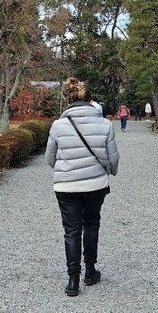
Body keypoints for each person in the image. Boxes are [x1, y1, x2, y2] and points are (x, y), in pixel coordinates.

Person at [46, 78, 120, 297]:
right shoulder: (105, 124)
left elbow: (50, 158)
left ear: (68, 101)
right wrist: (109, 172)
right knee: (91, 224)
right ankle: (90, 270)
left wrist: (65, 170)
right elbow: (112, 157)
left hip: (66, 185)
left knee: (71, 230)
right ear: (90, 101)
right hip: (95, 183)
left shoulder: (58, 126)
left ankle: (72, 280)